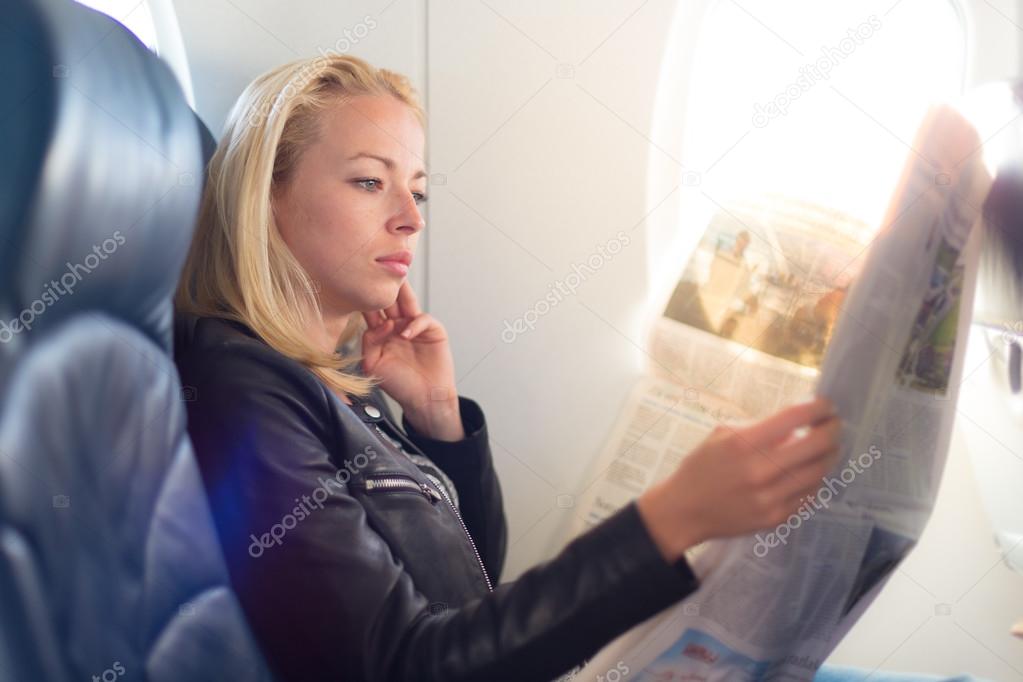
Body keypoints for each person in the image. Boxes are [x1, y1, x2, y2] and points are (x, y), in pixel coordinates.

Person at [173, 52, 860, 681]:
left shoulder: (340, 380)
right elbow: (408, 664)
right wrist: (668, 521)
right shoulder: (247, 395)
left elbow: (470, 579)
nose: (410, 217)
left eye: (418, 191)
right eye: (368, 181)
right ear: (266, 198)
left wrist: (439, 421)